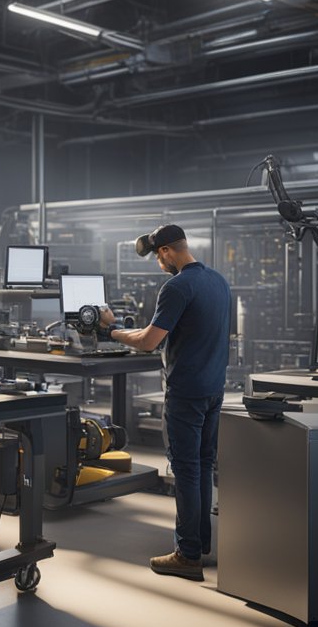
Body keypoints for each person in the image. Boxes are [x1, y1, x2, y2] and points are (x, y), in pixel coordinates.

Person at [98, 224, 230, 582]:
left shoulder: (177, 286)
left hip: (186, 391)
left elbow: (147, 341)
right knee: (202, 466)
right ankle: (199, 543)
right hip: (213, 388)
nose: (159, 262)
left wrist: (109, 329)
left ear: (169, 251)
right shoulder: (218, 281)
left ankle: (187, 556)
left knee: (186, 469)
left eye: (159, 256)